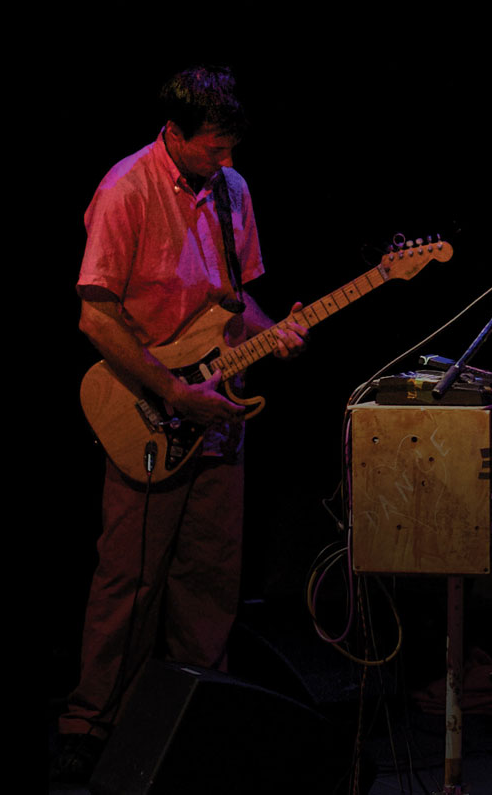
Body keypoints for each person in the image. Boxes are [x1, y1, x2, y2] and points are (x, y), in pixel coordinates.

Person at [50, 67, 307, 785]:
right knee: (128, 579)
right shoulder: (125, 189)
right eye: (212, 148)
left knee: (209, 580)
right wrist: (170, 389)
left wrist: (277, 330)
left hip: (219, 411)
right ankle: (89, 721)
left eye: (230, 148)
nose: (224, 161)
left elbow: (234, 305)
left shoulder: (234, 190)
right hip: (148, 408)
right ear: (176, 131)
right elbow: (93, 314)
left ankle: (199, 718)